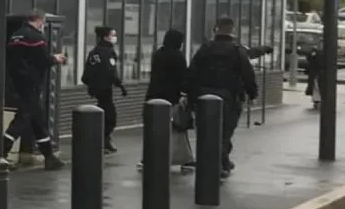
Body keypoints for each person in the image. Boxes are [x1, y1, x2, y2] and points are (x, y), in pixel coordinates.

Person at [188, 16, 258, 178]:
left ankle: (214, 162)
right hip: (229, 98)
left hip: (204, 97)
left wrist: (191, 97)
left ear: (216, 29)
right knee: (225, 133)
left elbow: (192, 73)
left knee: (206, 131)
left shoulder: (205, 49)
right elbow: (247, 74)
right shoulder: (237, 51)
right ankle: (219, 164)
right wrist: (252, 94)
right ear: (232, 30)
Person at [3, 9, 67, 170]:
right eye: (43, 23)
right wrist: (56, 58)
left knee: (38, 120)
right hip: (32, 82)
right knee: (22, 118)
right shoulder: (36, 37)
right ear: (39, 21)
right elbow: (42, 59)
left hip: (17, 81)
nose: (43, 26)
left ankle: (49, 157)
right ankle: (1, 153)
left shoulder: (16, 35)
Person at [138, 29, 195, 172]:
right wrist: (185, 94)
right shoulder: (178, 57)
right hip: (172, 97)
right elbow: (183, 78)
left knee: (154, 130)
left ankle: (149, 158)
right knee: (177, 130)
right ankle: (184, 159)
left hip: (154, 96)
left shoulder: (158, 54)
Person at [82, 26, 127, 154]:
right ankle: (101, 140)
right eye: (113, 35)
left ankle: (104, 140)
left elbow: (87, 73)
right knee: (110, 116)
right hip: (105, 88)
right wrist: (120, 85)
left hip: (96, 88)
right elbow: (111, 71)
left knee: (103, 112)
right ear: (106, 37)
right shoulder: (108, 52)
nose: (115, 37)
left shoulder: (94, 52)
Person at [305, 40, 324, 109]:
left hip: (317, 73)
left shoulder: (318, 52)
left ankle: (317, 101)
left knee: (316, 87)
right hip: (316, 73)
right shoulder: (315, 52)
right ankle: (317, 101)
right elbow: (309, 58)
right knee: (316, 87)